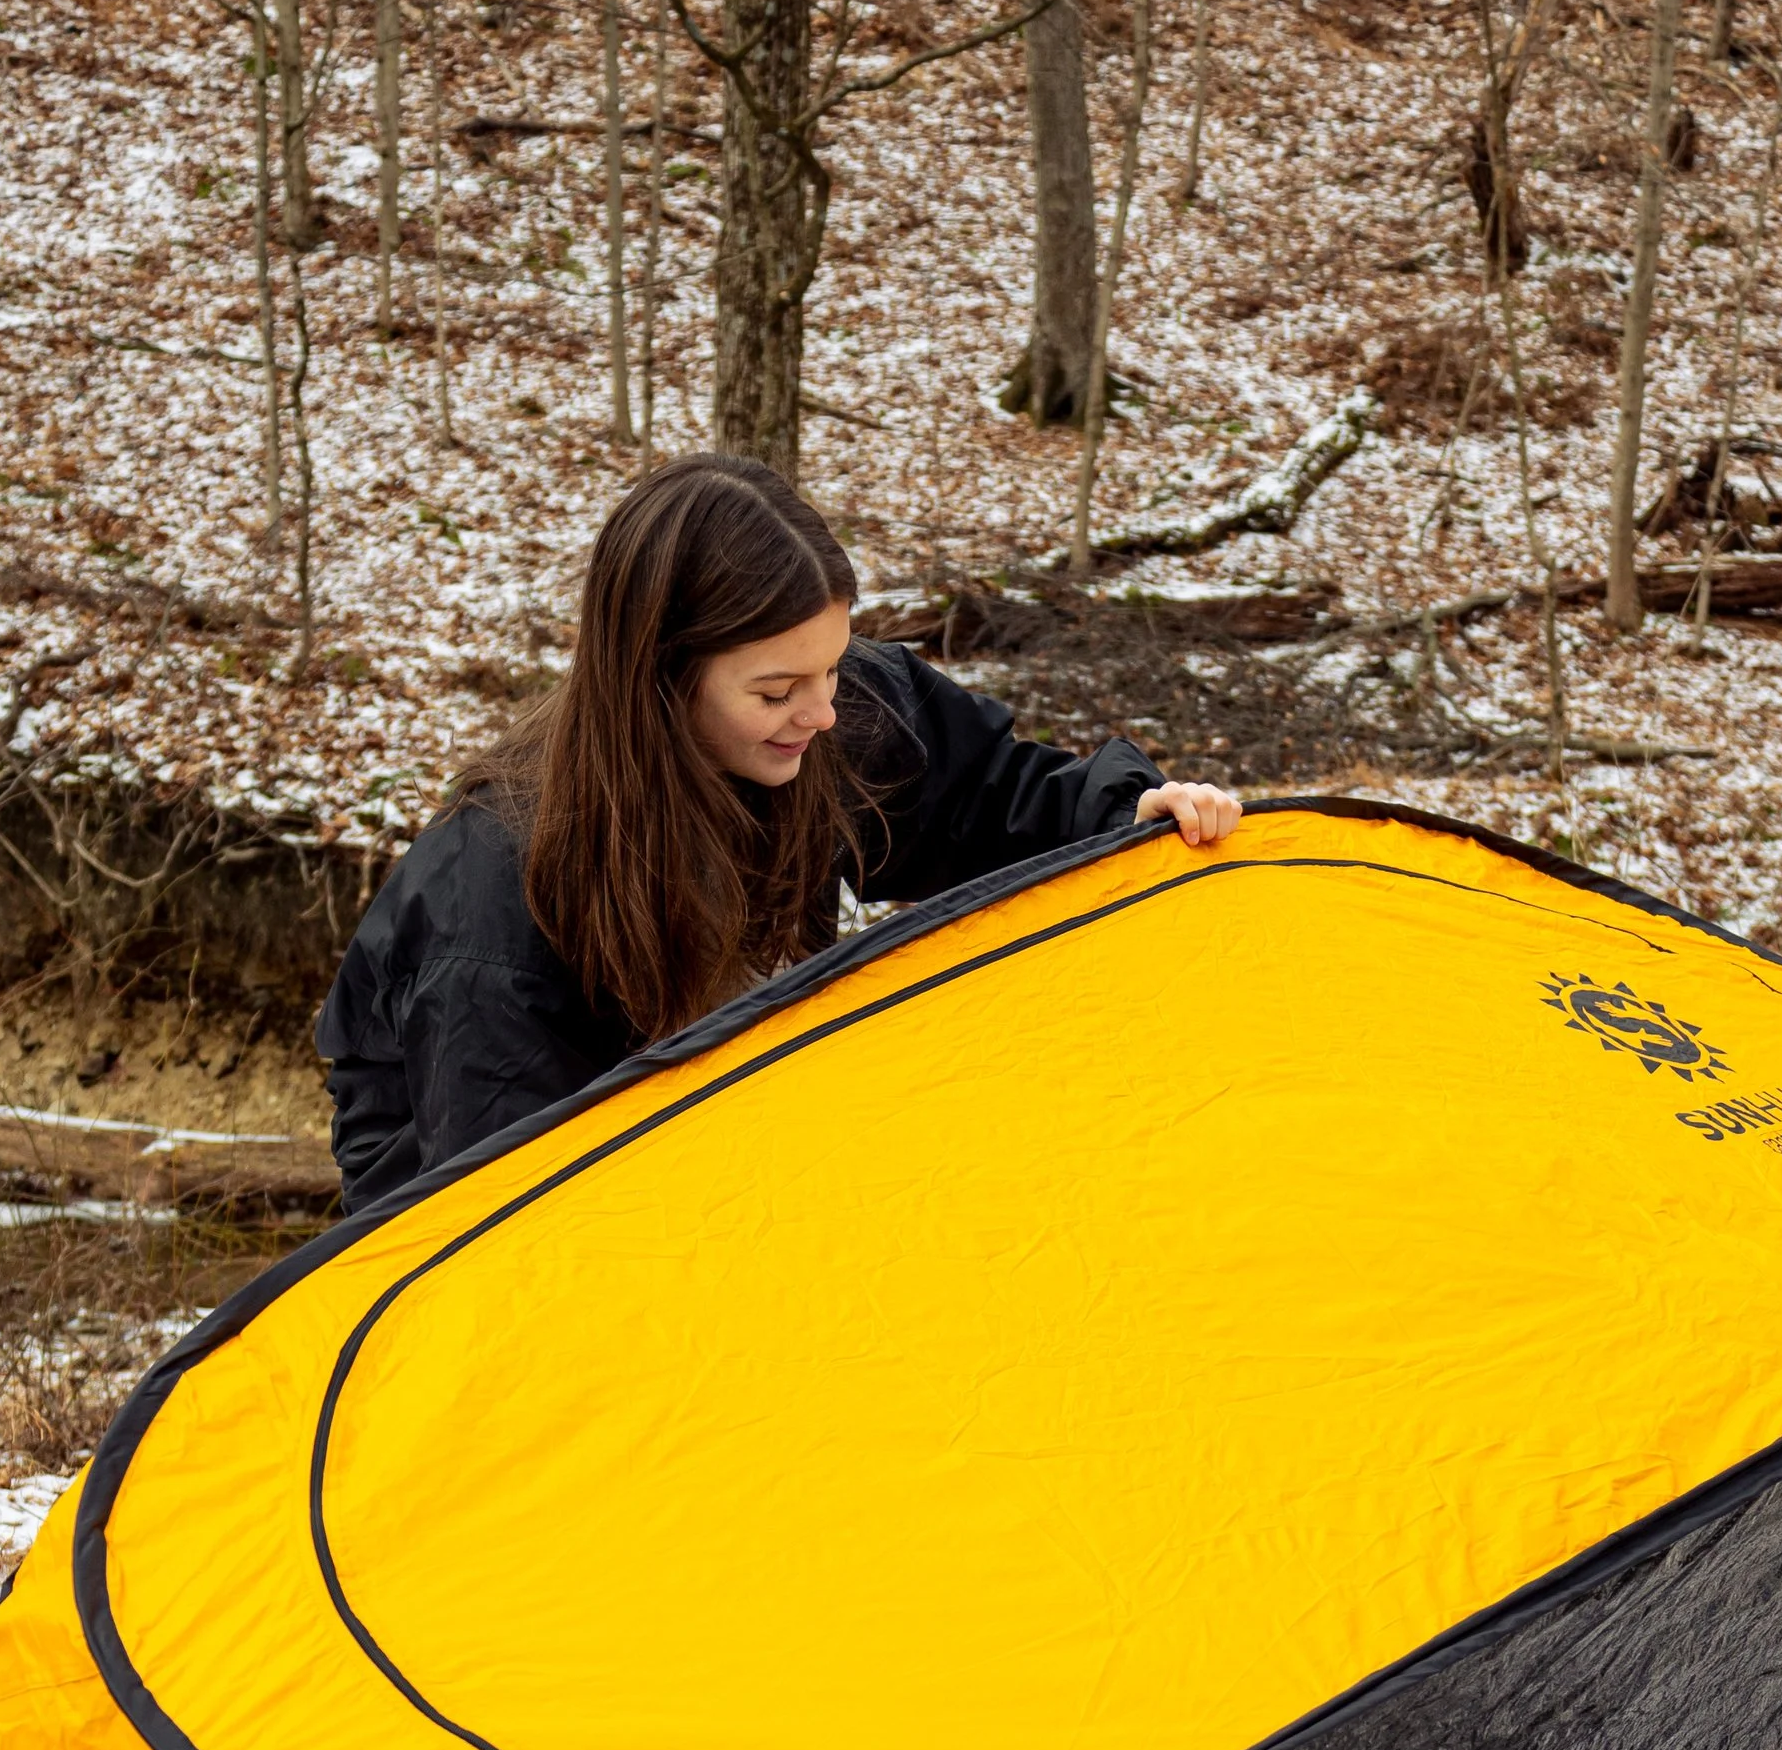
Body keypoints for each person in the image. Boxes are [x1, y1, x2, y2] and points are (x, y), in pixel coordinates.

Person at [318, 452, 1243, 1210]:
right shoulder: (499, 909)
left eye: (833, 669)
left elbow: (989, 797)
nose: (824, 712)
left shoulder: (824, 718)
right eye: (777, 691)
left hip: (719, 1141)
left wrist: (1124, 817)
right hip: (495, 1216)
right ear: (660, 677)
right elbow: (500, 1214)